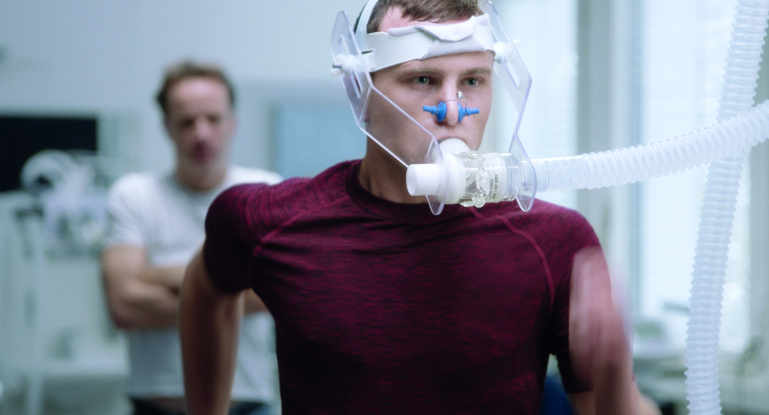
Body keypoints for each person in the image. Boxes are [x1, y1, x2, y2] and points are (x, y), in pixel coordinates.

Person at [179, 1, 660, 414]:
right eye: (424, 79)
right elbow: (205, 290)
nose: (451, 109)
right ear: (361, 91)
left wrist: (613, 374)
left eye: (473, 80)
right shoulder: (271, 221)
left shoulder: (555, 241)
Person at [102, 60, 282, 415]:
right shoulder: (133, 195)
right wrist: (232, 288)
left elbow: (275, 293)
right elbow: (124, 306)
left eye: (213, 119)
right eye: (187, 122)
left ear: (232, 122)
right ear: (167, 127)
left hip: (248, 403)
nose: (201, 134)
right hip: (155, 406)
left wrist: (161, 275)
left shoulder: (265, 192)